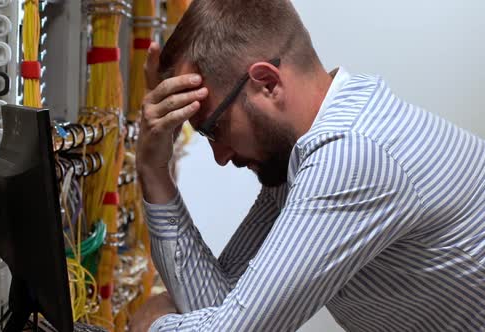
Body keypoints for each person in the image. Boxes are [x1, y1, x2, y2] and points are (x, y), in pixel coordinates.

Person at [129, 0, 485, 331]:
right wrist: (153, 169)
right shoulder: (300, 155)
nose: (221, 157)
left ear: (267, 83)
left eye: (215, 128)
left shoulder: (353, 154)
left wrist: (148, 323)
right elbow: (217, 304)